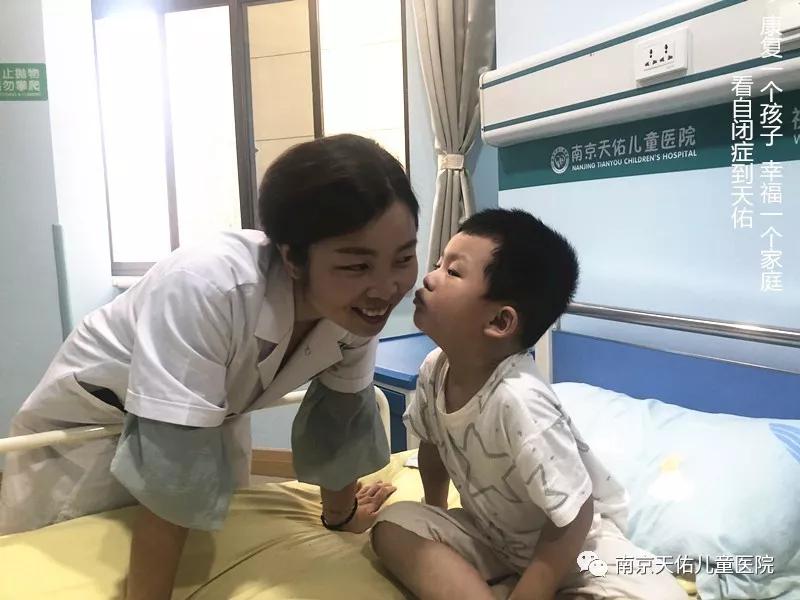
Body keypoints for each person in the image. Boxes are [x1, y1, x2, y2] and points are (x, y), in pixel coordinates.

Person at [0, 134, 419, 600]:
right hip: (89, 434)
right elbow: (173, 473)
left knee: (204, 549)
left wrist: (341, 519)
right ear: (292, 258)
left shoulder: (354, 308)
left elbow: (341, 417)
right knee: (60, 573)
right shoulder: (206, 288)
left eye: (404, 258)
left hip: (207, 425)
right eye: (357, 266)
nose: (387, 288)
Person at [371, 209, 687, 600]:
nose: (430, 278)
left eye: (453, 272)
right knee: (393, 526)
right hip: (492, 536)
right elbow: (433, 449)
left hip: (573, 552)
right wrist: (434, 514)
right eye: (438, 264)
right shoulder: (434, 369)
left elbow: (576, 517)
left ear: (500, 322)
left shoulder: (520, 399)